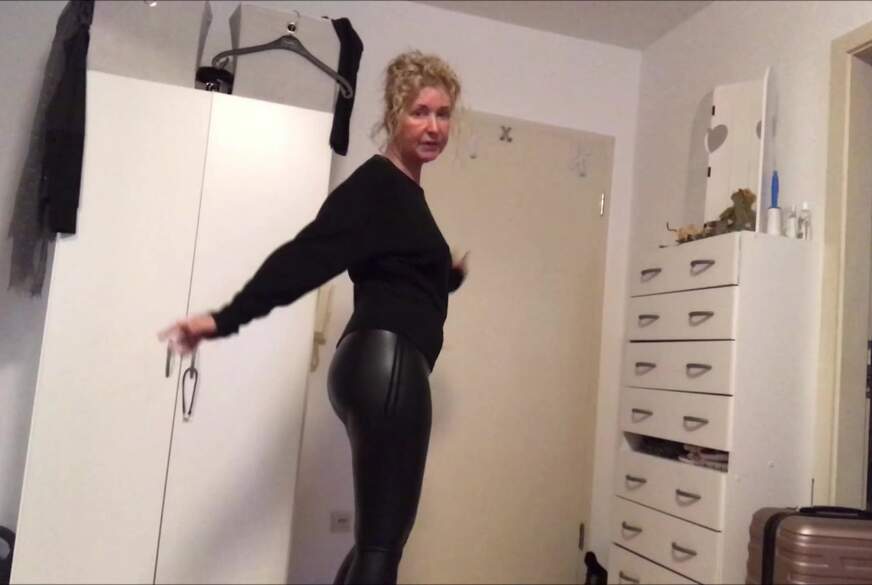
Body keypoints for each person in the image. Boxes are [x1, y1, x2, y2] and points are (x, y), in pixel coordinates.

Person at [158, 50, 467, 584]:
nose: (434, 126)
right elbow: (308, 255)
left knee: (374, 542)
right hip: (390, 363)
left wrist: (446, 276)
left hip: (375, 362)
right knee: (383, 546)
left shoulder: (403, 194)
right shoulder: (377, 186)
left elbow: (399, 277)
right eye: (420, 112)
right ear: (394, 113)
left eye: (443, 114)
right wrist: (225, 319)